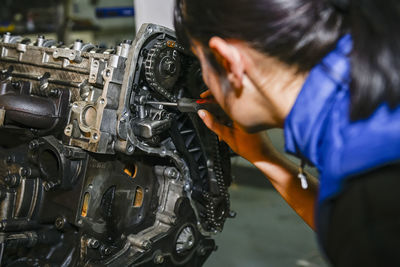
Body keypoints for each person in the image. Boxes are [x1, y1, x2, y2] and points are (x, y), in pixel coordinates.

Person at [173, 0, 400, 266]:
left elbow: (360, 228)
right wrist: (265, 158)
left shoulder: (370, 205)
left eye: (202, 63)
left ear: (229, 61)